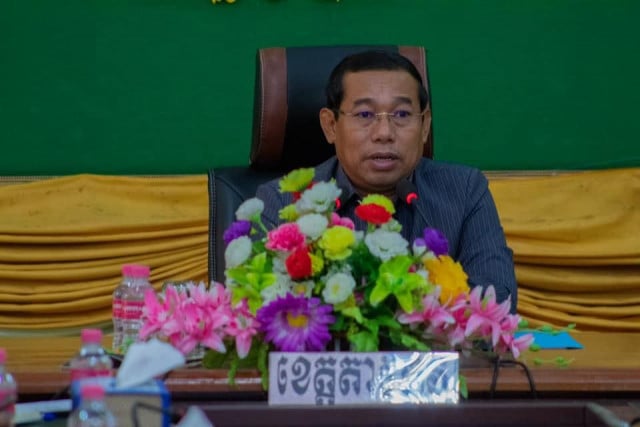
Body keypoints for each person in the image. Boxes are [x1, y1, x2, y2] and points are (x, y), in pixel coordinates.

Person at [256, 50, 517, 313]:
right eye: (365, 115)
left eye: (402, 114)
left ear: (425, 125)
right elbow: (260, 309)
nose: (384, 133)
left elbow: (496, 300)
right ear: (331, 126)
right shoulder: (281, 202)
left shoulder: (465, 191)